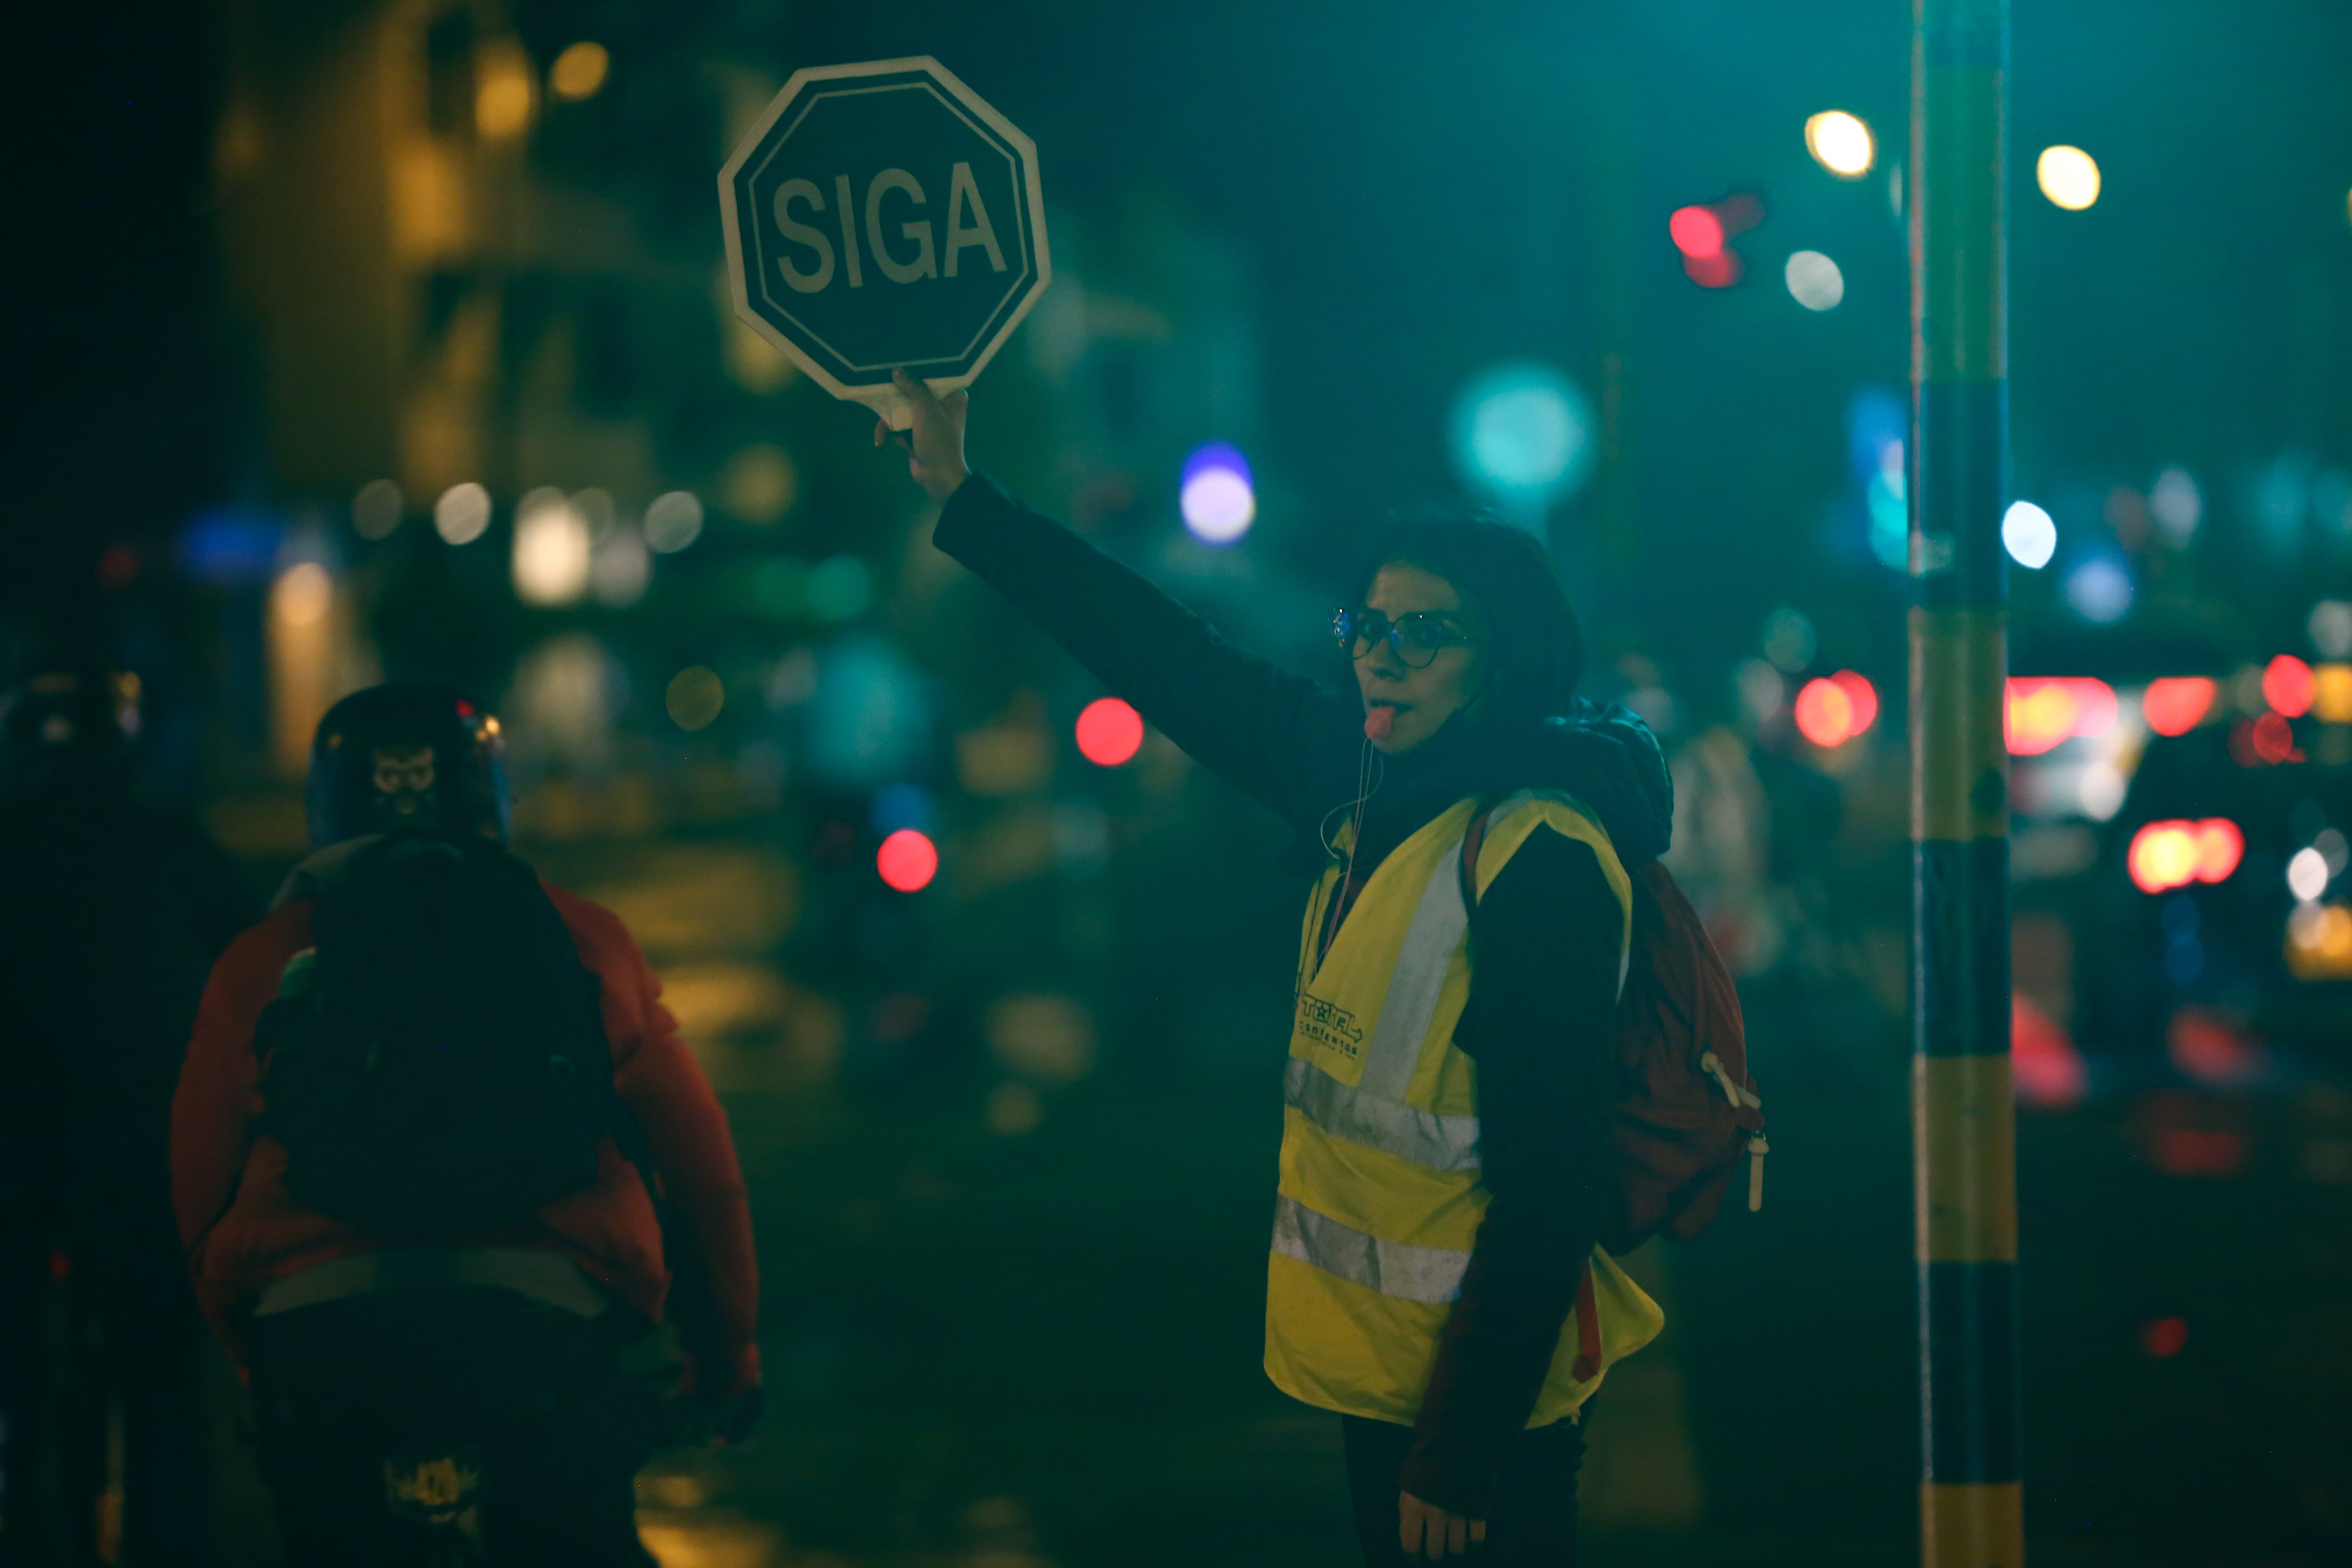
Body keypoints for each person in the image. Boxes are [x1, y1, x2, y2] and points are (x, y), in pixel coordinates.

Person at [875, 371, 1674, 1565]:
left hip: (1479, 1413)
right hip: (1381, 1376)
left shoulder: (1534, 854)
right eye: (1369, 627)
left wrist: (1460, 1447)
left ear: (1499, 657)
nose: (1381, 659)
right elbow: (1164, 655)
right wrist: (964, 493)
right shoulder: (1358, 778)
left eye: (1426, 632)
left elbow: (1553, 1183)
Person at [169, 683, 761, 1567]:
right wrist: (725, 1352)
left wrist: (249, 1341)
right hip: (546, 1325)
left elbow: (199, 1183)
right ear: (494, 792)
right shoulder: (581, 938)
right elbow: (700, 1166)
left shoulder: (264, 958)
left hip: (321, 1332)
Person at [0, 662, 255, 1568]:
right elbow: (254, 962)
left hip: (19, 1166)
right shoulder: (167, 842)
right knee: (164, 1395)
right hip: (146, 1157)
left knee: (17, 1385)